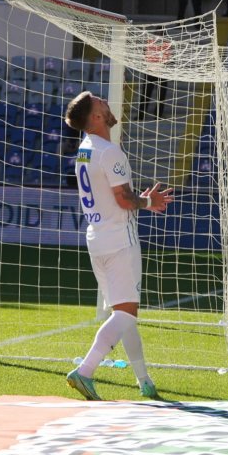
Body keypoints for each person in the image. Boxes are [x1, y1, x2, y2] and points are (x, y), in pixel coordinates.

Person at [64, 91, 174, 400]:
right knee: (126, 315)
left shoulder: (84, 150)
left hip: (97, 237)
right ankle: (85, 371)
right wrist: (149, 201)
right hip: (118, 239)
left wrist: (140, 200)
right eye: (100, 102)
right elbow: (124, 199)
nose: (106, 103)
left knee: (123, 313)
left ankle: (145, 381)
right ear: (96, 117)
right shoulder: (109, 152)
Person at [137, 30, 172, 120]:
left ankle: (156, 115)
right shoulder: (152, 43)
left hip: (159, 72)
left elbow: (168, 58)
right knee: (146, 94)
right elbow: (145, 54)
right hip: (153, 72)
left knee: (159, 95)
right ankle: (142, 115)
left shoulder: (165, 44)